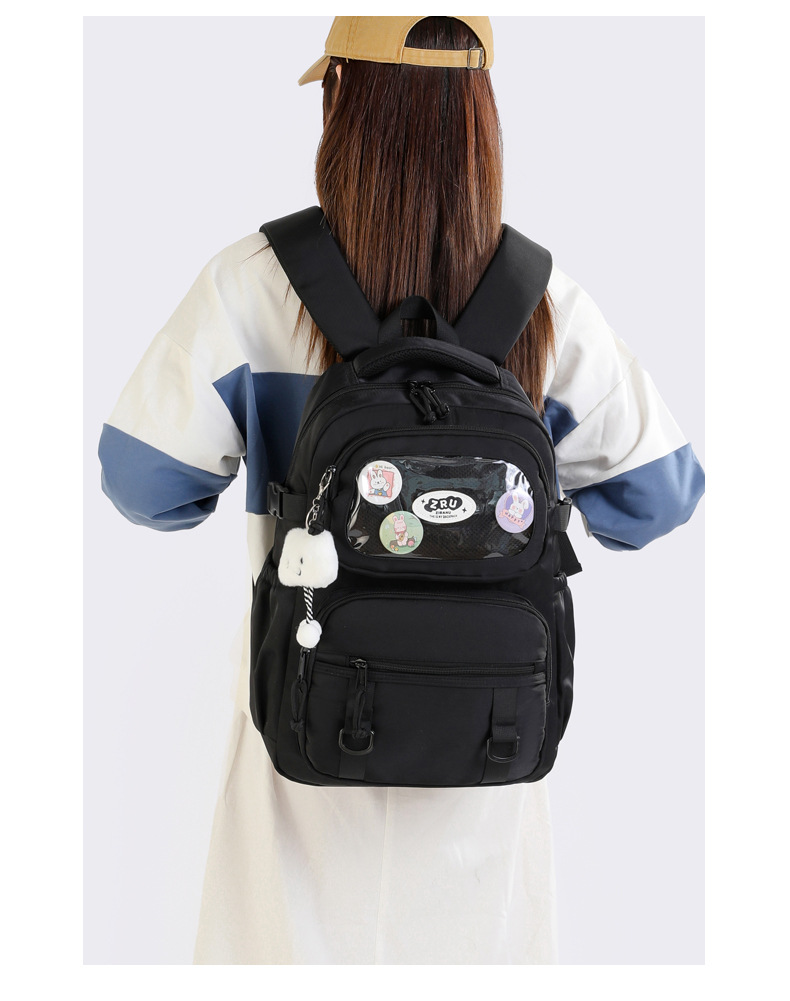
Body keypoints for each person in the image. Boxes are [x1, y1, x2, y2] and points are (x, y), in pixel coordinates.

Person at [98, 16, 705, 965]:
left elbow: (141, 482)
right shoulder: (545, 306)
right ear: (482, 116)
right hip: (488, 791)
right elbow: (657, 499)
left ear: (340, 103)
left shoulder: (251, 286)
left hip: (298, 782)